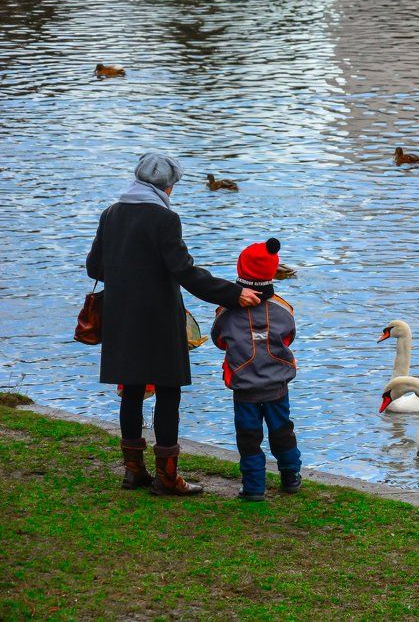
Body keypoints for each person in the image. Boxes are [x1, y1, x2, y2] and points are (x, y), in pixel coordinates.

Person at [86, 152, 262, 496]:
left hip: (122, 317)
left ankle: (134, 473)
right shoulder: (165, 219)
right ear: (167, 186)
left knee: (132, 391)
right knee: (168, 391)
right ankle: (167, 479)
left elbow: (95, 267)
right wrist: (233, 294)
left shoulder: (111, 213)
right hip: (159, 318)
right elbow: (185, 272)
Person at [211, 237, 301, 501]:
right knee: (282, 429)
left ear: (241, 272)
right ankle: (290, 476)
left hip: (244, 387)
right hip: (277, 386)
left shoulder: (225, 313)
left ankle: (253, 487)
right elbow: (289, 338)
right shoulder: (283, 310)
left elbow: (219, 341)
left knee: (249, 437)